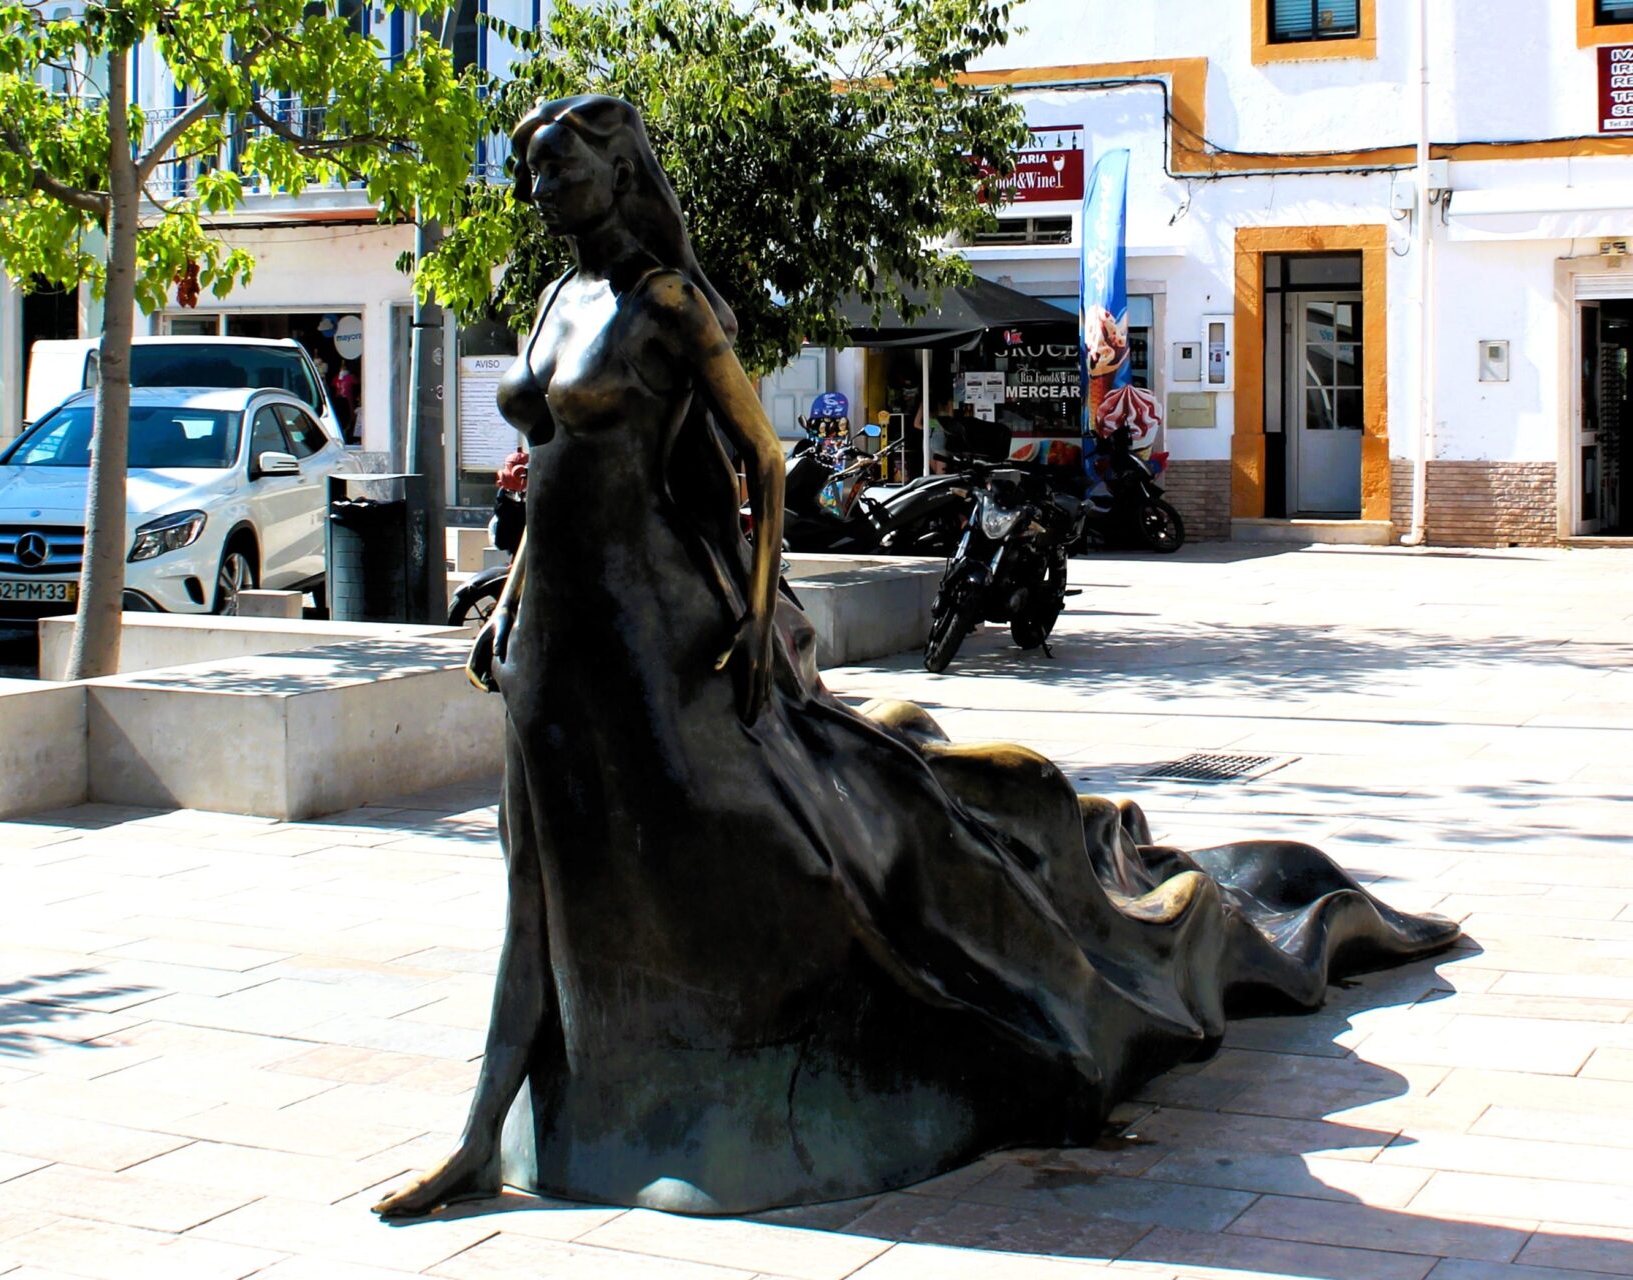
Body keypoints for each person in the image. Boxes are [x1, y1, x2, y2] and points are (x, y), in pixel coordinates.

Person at [372, 94, 1458, 1220]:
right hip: (551, 625)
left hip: (653, 625)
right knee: (531, 874)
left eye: (561, 171)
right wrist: (506, 605)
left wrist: (754, 614)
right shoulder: (557, 297)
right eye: (533, 175)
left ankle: (763, 1074)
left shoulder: (667, 304)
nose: (544, 192)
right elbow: (546, 474)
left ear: (615, 174)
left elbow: (761, 459)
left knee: (749, 848)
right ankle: (481, 1132)